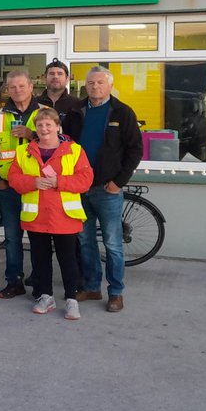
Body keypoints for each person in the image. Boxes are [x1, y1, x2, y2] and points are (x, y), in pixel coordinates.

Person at [63, 66, 143, 313]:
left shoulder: (122, 112)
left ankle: (116, 292)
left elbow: (135, 150)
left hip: (107, 189)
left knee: (113, 243)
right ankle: (92, 287)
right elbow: (63, 143)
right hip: (79, 188)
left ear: (110, 85)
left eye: (100, 82)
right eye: (90, 83)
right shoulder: (76, 111)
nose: (95, 87)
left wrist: (119, 181)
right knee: (85, 241)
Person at [9, 108, 93, 320]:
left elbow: (85, 180)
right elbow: (14, 179)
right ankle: (46, 296)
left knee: (68, 259)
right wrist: (33, 182)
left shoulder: (74, 150)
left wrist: (59, 182)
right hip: (37, 216)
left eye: (48, 124)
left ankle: (71, 299)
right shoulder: (24, 151)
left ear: (58, 126)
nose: (44, 128)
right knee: (40, 259)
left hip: (64, 216)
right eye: (40, 125)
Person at [0, 70, 43, 299]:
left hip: (37, 186)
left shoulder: (44, 112)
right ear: (7, 90)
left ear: (31, 87)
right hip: (8, 187)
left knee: (39, 237)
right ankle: (14, 281)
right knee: (12, 238)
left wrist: (32, 134)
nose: (17, 90)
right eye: (13, 87)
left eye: (22, 86)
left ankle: (39, 280)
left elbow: (58, 146)